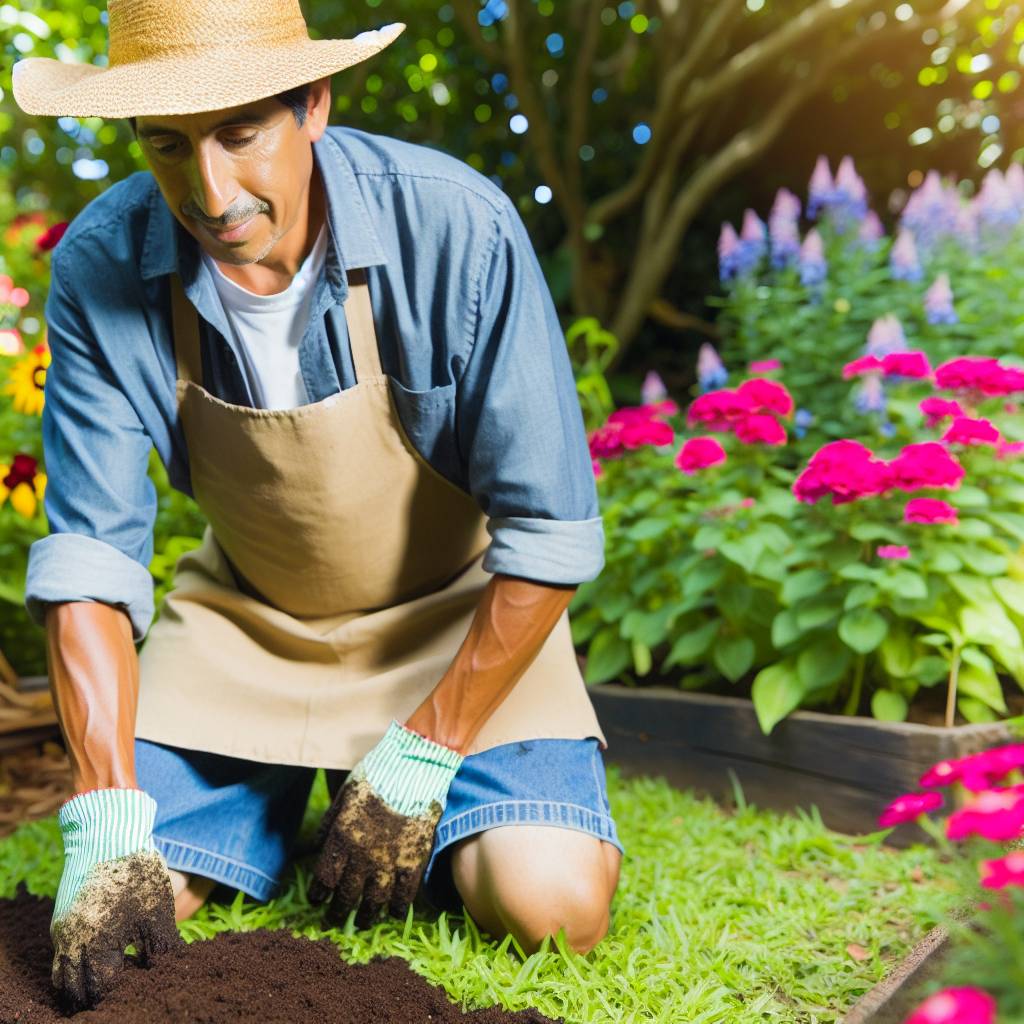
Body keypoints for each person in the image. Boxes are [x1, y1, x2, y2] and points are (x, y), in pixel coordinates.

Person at [12, 0, 623, 1010]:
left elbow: (549, 535)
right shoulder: (100, 266)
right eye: (168, 145)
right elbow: (90, 556)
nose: (209, 192)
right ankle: (284, 786)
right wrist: (104, 807)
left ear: (314, 104)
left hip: (453, 620)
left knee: (549, 904)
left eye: (240, 132)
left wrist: (428, 745)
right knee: (133, 906)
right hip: (246, 626)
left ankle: (376, 779)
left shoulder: (457, 227)